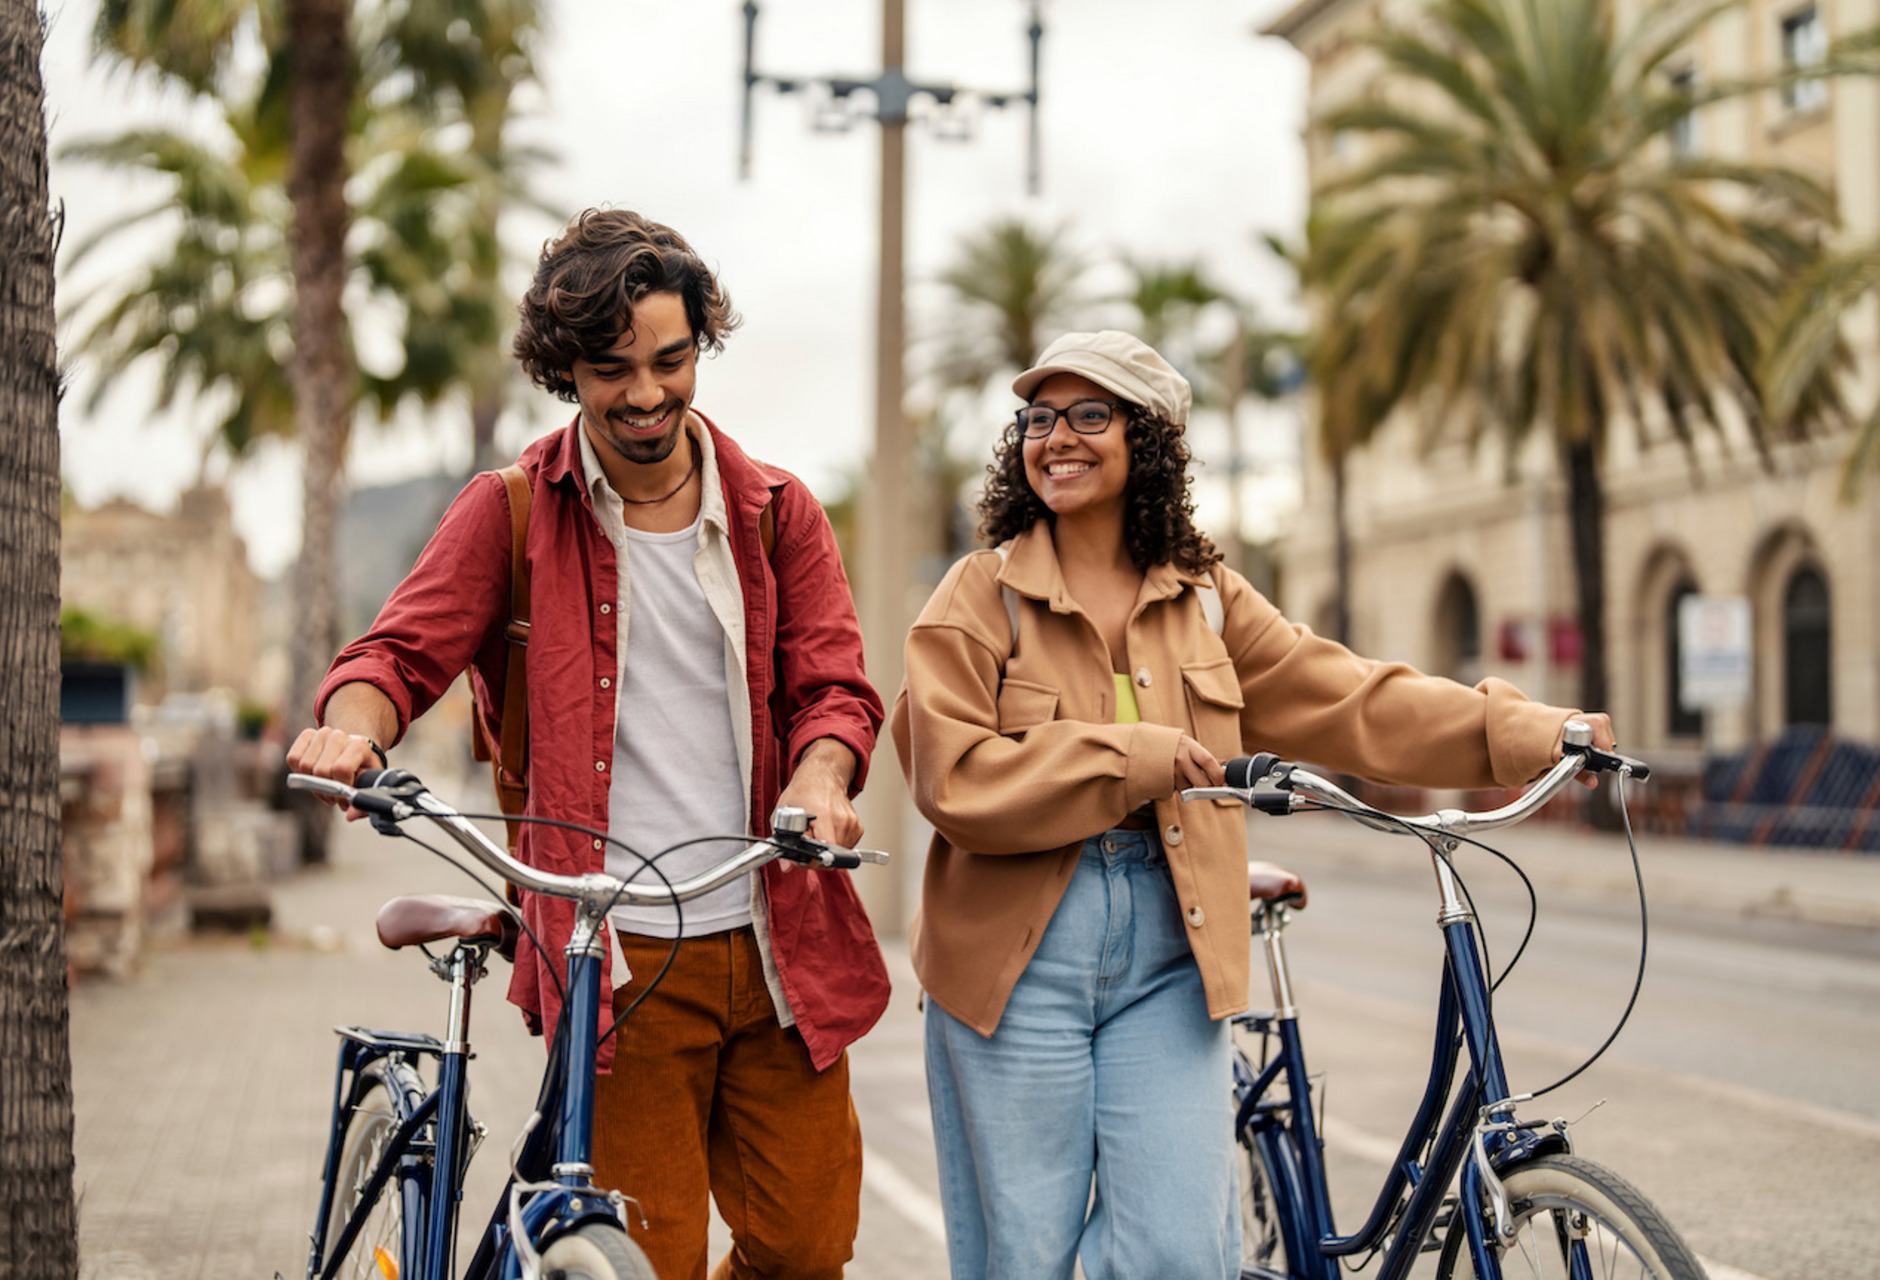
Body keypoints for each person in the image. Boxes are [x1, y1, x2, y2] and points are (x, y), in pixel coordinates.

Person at [890, 330, 1615, 1279]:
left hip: (1173, 947)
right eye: (1039, 417)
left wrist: (1529, 733)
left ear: (1147, 439)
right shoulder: (978, 595)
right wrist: (1133, 757)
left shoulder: (1210, 603)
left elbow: (1353, 697)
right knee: (1022, 1258)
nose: (1056, 436)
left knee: (1180, 1252)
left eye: (1089, 414)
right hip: (1016, 961)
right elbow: (954, 778)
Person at [286, 208, 889, 1280]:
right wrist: (349, 728)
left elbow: (835, 690)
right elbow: (393, 656)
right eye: (614, 369)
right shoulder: (512, 512)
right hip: (619, 960)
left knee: (806, 1251)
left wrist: (821, 773)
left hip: (776, 938)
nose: (649, 393)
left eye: (672, 358)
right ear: (563, 370)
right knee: (639, 1262)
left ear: (701, 343)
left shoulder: (777, 514)